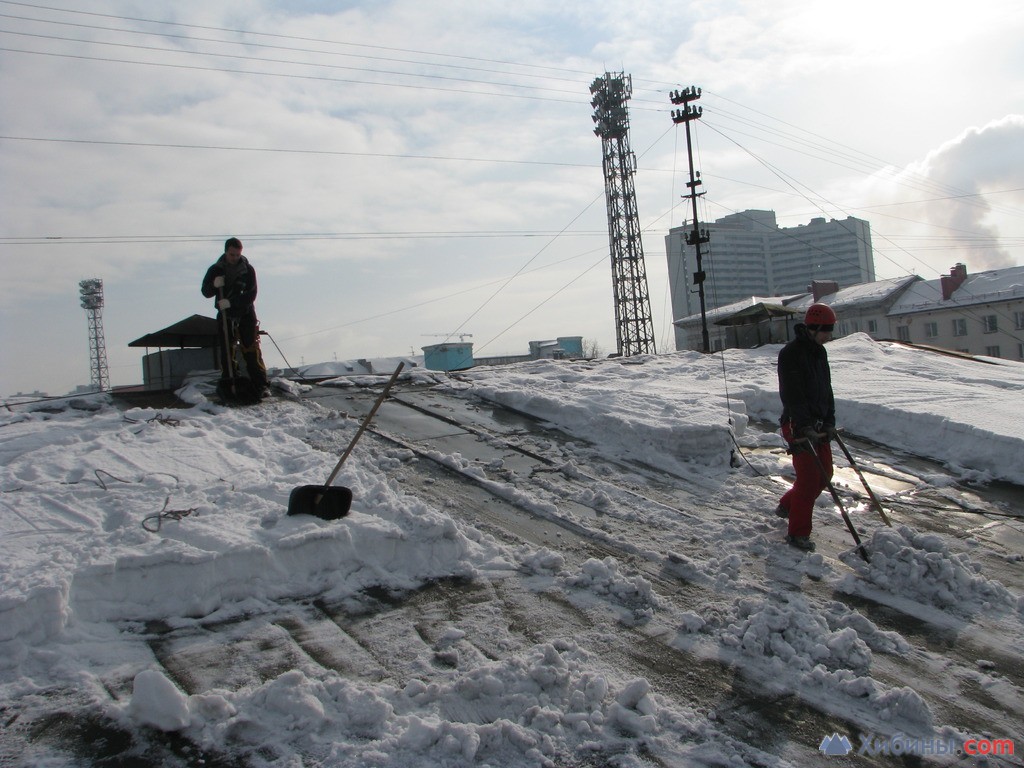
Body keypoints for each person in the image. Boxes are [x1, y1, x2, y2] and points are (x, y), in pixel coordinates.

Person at [774, 302, 838, 552]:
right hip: (798, 423)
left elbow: (827, 390)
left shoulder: (820, 352)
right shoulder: (791, 353)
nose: (829, 336)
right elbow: (792, 393)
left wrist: (830, 420)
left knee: (825, 474)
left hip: (820, 423)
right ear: (814, 327)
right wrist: (803, 425)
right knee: (809, 478)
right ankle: (798, 533)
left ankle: (788, 505)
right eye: (827, 330)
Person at [201, 237, 268, 399]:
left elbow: (252, 294)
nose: (235, 258)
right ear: (226, 252)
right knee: (227, 350)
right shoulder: (215, 270)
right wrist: (214, 286)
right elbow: (205, 292)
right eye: (232, 255)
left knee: (251, 350)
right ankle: (230, 381)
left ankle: (260, 384)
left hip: (245, 314)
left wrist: (231, 302)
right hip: (225, 316)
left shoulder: (248, 270)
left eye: (237, 255)